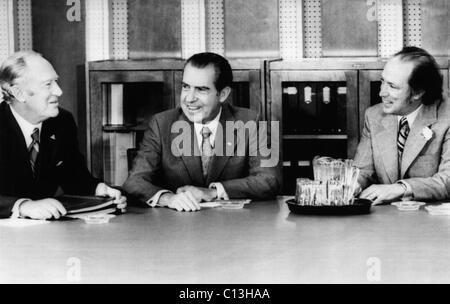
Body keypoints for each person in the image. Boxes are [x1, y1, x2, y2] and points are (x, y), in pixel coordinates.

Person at [123, 52, 280, 212]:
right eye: (186, 87)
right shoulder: (161, 123)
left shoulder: (252, 122)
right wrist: (168, 198)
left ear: (223, 94)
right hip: (175, 228)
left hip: (235, 228)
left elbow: (269, 180)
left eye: (201, 90)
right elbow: (134, 181)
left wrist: (213, 192)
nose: (189, 98)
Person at [0, 51, 127, 219]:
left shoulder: (62, 122)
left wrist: (100, 190)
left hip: (48, 233)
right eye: (48, 84)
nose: (59, 91)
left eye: (56, 82)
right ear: (19, 93)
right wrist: (22, 206)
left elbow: (72, 175)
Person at [354, 46, 450, 205]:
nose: (382, 93)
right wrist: (353, 185)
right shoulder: (374, 115)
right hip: (385, 222)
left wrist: (401, 188)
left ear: (418, 92)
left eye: (392, 86)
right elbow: (364, 170)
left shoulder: (446, 117)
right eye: (382, 81)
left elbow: (447, 180)